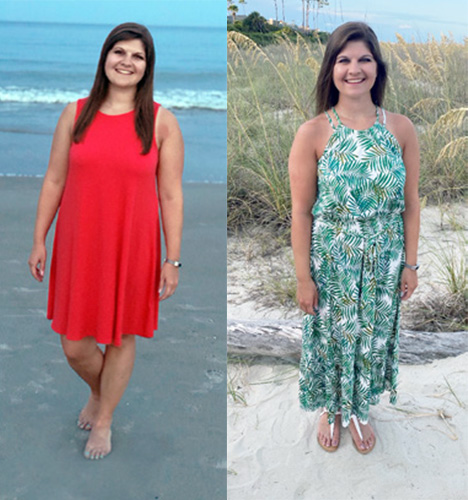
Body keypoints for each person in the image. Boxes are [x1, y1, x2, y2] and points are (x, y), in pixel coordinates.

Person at [28, 23, 184, 460]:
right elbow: (55, 178)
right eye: (119, 52)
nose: (126, 62)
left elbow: (171, 194)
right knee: (74, 343)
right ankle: (101, 392)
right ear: (105, 58)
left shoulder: (161, 122)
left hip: (133, 246)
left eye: (137, 56)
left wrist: (173, 259)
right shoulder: (74, 113)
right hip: (79, 243)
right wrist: (39, 238)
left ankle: (105, 417)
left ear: (147, 67)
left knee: (120, 336)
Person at [289, 22, 420, 454]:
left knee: (373, 335)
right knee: (333, 335)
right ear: (331, 70)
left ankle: (361, 409)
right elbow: (302, 212)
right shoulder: (313, 132)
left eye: (364, 59)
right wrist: (303, 278)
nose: (354, 69)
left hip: (384, 256)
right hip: (333, 257)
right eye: (343, 60)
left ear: (378, 68)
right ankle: (333, 407)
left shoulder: (400, 129)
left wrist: (410, 263)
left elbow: (412, 204)